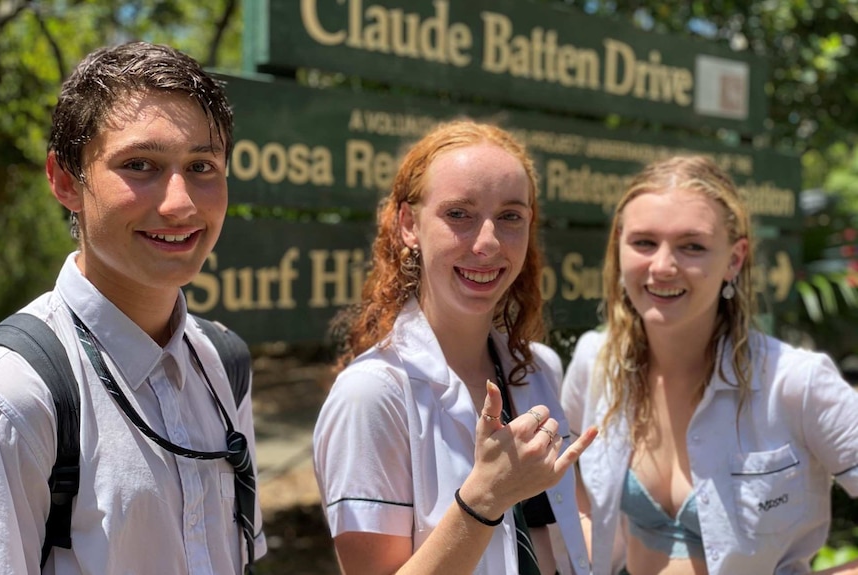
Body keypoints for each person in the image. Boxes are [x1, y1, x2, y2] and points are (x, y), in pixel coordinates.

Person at [0, 42, 266, 574]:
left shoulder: (224, 362)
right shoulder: (17, 396)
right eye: (139, 165)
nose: (180, 203)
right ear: (66, 181)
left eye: (202, 165)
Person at [313, 119, 598, 575]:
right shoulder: (370, 396)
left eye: (510, 217)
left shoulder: (539, 369)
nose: (487, 243)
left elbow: (562, 529)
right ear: (409, 224)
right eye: (459, 214)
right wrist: (485, 498)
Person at [561, 155, 858, 575]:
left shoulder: (794, 382)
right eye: (644, 242)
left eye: (692, 246)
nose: (662, 266)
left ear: (734, 259)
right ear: (619, 246)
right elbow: (568, 474)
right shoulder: (596, 362)